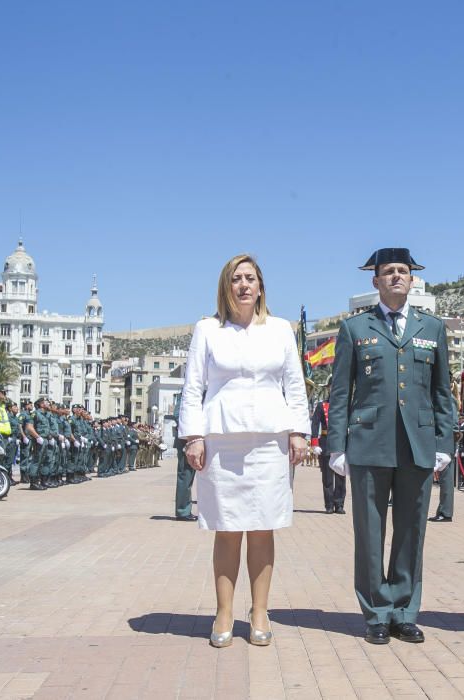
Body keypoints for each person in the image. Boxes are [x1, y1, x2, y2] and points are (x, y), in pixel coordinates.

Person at [178, 253, 310, 648]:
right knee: (228, 528)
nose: (244, 285)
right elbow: (193, 386)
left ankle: (260, 610)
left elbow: (295, 384)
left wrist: (299, 432)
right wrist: (193, 437)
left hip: (270, 439)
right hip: (222, 439)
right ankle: (224, 610)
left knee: (263, 526)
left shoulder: (281, 330)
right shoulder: (207, 330)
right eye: (236, 278)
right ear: (226, 286)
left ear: (261, 286)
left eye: (250, 278)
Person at [327, 247, 454, 646]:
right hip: (368, 443)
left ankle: (404, 610)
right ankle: (376, 612)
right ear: (375, 281)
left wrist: (443, 442)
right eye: (388, 272)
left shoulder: (432, 328)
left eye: (403, 271)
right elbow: (341, 391)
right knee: (370, 532)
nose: (396, 277)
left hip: (417, 443)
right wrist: (336, 446)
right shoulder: (355, 329)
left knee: (411, 531)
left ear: (412, 280)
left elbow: (442, 392)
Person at [311, 395, 346, 514]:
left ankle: (339, 504)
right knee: (327, 477)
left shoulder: (344, 405)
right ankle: (329, 505)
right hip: (325, 442)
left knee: (341, 475)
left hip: (340, 442)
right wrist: (314, 443)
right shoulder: (322, 405)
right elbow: (315, 424)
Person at [173, 397, 197, 521]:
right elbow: (178, 416)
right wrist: (191, 435)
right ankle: (182, 511)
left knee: (190, 478)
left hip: (197, 442)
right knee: (185, 477)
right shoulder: (185, 397)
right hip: (186, 443)